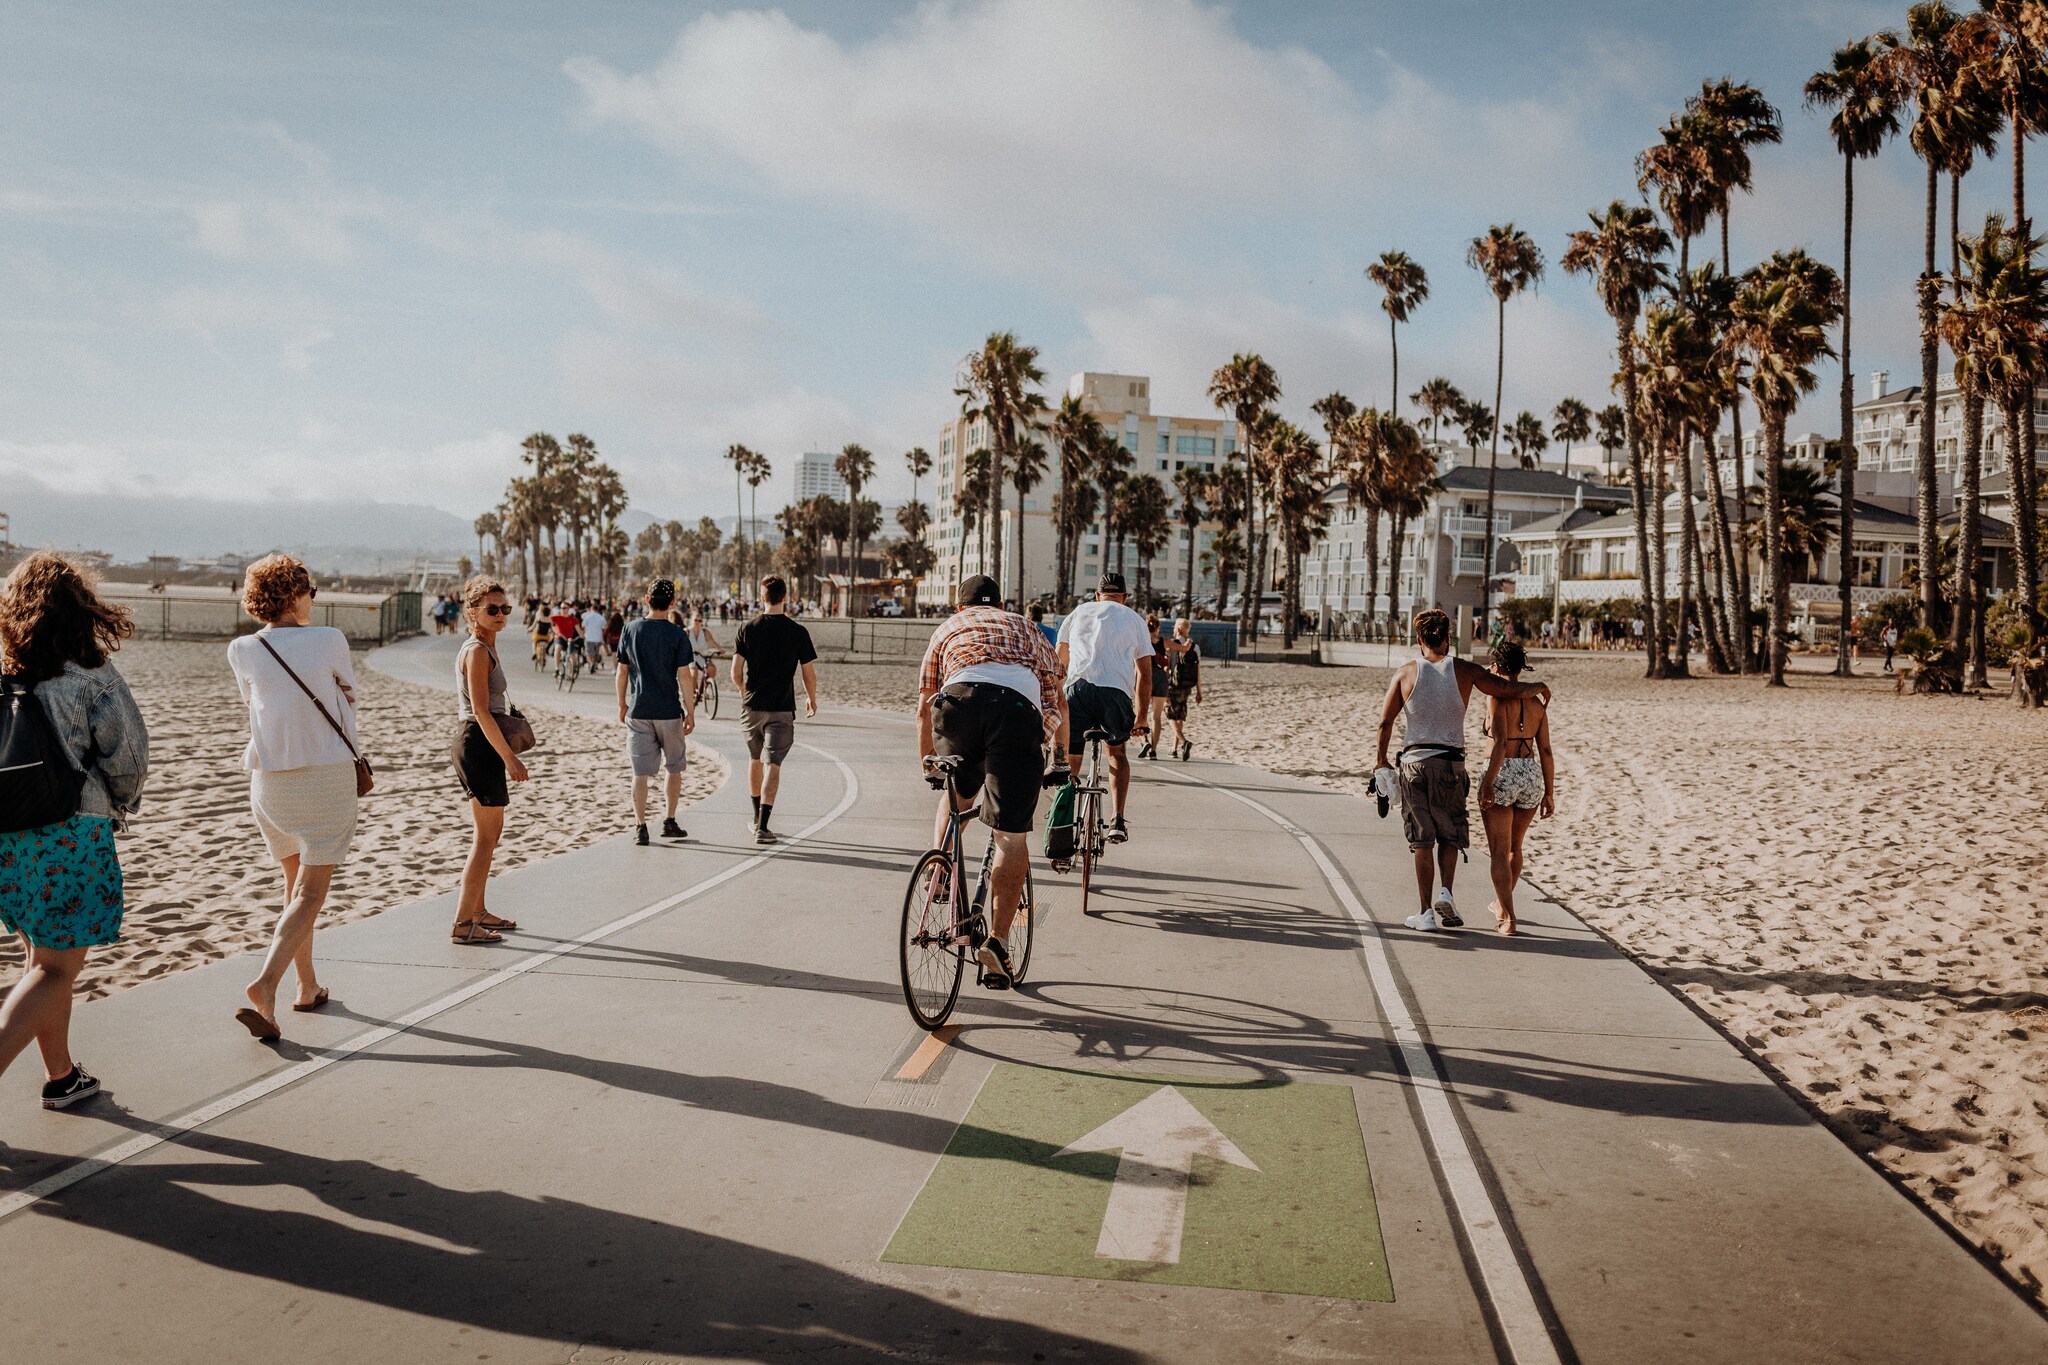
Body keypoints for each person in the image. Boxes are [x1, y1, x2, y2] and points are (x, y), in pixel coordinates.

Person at [0, 552, 149, 1110]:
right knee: (57, 969)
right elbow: (128, 755)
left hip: (7, 834)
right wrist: (119, 803)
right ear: (79, 607)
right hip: (70, 831)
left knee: (42, 962)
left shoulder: (2, 669)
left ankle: (61, 1076)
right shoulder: (89, 674)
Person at [224, 554, 363, 1040]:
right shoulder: (329, 639)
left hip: (267, 781)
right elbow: (349, 692)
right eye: (310, 591)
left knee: (293, 892)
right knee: (309, 893)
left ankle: (307, 987)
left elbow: (254, 701)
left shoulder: (242, 648)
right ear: (295, 594)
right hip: (323, 776)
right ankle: (265, 985)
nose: (312, 599)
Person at [916, 574, 1066, 989]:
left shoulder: (947, 628)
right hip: (1015, 711)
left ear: (960, 608)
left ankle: (939, 868)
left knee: (956, 793)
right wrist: (1053, 752)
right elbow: (1055, 694)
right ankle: (997, 944)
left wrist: (930, 766)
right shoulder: (1028, 627)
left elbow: (924, 702)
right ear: (1001, 605)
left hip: (957, 703)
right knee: (1010, 838)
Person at [1373, 609, 1550, 934]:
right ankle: (1447, 892)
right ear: (1448, 638)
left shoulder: (1405, 674)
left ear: (1419, 639)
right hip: (1451, 764)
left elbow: (1386, 722)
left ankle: (1426, 912)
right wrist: (1537, 684)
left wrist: (1380, 760)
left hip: (1415, 763)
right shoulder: (1466, 671)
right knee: (1450, 834)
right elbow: (1507, 689)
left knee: (1422, 840)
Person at [452, 577, 528, 944]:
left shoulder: (485, 647)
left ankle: (478, 911)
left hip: (481, 744)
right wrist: (510, 758)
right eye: (491, 609)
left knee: (490, 835)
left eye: (504, 609)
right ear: (473, 612)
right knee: (484, 839)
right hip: (480, 744)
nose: (500, 615)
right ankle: (464, 922)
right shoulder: (477, 651)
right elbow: (481, 711)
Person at [1055, 571, 1153, 842]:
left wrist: (1055, 702)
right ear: (1124, 597)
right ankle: (1117, 820)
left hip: (1078, 689)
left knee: (1072, 759)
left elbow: (1059, 662)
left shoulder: (1078, 612)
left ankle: (1061, 822)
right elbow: (1144, 673)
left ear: (1097, 595)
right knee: (1117, 754)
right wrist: (1141, 718)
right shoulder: (1134, 618)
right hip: (1115, 693)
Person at [1476, 639, 1554, 937]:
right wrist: (1549, 791)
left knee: (1498, 852)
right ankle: (1500, 903)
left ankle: (1508, 918)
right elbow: (1545, 750)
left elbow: (1497, 744)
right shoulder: (1537, 704)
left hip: (1503, 771)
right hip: (1530, 773)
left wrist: (1487, 783)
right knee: (1515, 848)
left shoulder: (1495, 699)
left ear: (1496, 666)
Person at [731, 575, 818, 844]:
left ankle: (756, 817)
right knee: (774, 764)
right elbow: (808, 673)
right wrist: (811, 698)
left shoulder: (748, 628)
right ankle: (763, 826)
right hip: (781, 708)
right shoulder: (797, 632)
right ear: (786, 597)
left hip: (752, 707)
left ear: (761, 596)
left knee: (754, 759)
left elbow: (735, 671)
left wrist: (743, 691)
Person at [616, 578, 696, 846]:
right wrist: (691, 711)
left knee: (640, 773)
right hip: (669, 711)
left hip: (639, 710)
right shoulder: (677, 635)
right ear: (672, 603)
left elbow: (622, 671)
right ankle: (669, 820)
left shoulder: (630, 629)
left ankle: (640, 827)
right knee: (674, 768)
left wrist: (621, 704)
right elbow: (685, 676)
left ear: (646, 600)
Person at [1163, 617, 1202, 760]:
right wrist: (1199, 691)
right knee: (1180, 716)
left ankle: (1184, 742)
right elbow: (1198, 670)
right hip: (1187, 686)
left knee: (1170, 715)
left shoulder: (1172, 645)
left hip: (1173, 685)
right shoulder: (1195, 647)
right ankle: (1174, 749)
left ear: (1178, 629)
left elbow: (1167, 666)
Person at [1137, 614, 1170, 759]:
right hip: (1161, 678)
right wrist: (1188, 643)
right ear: (1157, 628)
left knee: (1139, 713)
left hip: (1145, 677)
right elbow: (1183, 648)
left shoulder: (1141, 641)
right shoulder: (1163, 641)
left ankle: (1144, 740)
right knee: (1156, 717)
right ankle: (1154, 751)